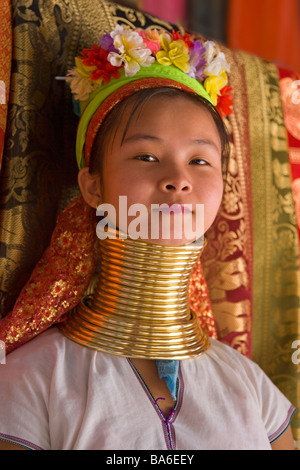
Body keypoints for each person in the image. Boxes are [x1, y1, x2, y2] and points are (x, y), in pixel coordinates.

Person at [0, 25, 296, 450]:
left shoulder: (247, 383)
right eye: (146, 156)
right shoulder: (30, 380)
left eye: (199, 160)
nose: (177, 179)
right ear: (93, 187)